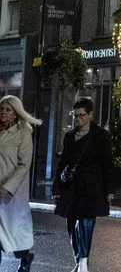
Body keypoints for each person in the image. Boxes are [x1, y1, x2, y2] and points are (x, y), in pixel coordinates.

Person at [52, 97, 115, 272]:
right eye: (76, 115)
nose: (78, 119)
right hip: (72, 186)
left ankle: (84, 263)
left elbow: (107, 164)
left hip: (92, 186)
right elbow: (63, 163)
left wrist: (109, 189)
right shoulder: (70, 136)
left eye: (81, 115)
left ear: (89, 114)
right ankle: (78, 259)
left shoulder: (101, 136)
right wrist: (56, 189)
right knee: (71, 225)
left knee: (86, 223)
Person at [0, 96, 42, 271]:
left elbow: (24, 165)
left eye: (7, 110)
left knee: (15, 237)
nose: (3, 112)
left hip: (12, 195)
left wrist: (8, 187)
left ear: (16, 114)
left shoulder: (23, 134)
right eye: (1, 109)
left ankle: (25, 256)